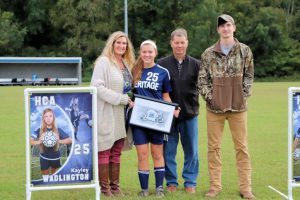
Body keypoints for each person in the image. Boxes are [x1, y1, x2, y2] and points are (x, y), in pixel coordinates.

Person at [198, 14, 255, 199]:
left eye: (228, 25)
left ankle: (245, 189)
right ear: (218, 30)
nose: (225, 28)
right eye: (221, 26)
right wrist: (211, 99)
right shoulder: (208, 53)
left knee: (242, 148)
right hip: (215, 110)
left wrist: (242, 96)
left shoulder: (245, 51)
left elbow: (249, 76)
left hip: (238, 109)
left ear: (234, 27)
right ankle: (215, 187)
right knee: (213, 148)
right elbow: (202, 80)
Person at [131, 40, 180, 197]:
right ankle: (144, 189)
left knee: (157, 154)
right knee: (142, 154)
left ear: (155, 53)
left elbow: (166, 95)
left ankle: (159, 188)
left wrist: (173, 108)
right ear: (140, 53)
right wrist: (130, 102)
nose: (147, 54)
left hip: (157, 120)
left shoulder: (162, 72)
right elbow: (128, 93)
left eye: (150, 52)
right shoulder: (134, 70)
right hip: (139, 120)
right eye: (144, 52)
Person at [90, 31, 135, 197]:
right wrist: (121, 99)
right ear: (112, 43)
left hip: (122, 114)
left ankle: (115, 188)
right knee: (105, 149)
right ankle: (105, 189)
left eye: (124, 44)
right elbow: (97, 87)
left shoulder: (125, 63)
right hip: (107, 112)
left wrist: (130, 100)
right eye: (119, 43)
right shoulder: (103, 62)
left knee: (116, 150)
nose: (122, 46)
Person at [157, 28, 200, 193]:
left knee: (192, 151)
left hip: (190, 115)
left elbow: (205, 87)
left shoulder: (196, 64)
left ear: (187, 43)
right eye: (177, 43)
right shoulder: (162, 64)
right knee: (168, 151)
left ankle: (190, 182)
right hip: (168, 117)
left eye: (182, 42)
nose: (179, 46)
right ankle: (172, 182)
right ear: (171, 43)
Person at [31, 108, 72, 175]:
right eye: (46, 116)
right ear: (43, 118)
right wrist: (38, 142)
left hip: (55, 157)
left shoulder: (58, 130)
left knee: (54, 175)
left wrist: (59, 141)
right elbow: (30, 140)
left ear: (53, 118)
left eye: (50, 116)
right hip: (43, 156)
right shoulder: (39, 130)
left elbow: (70, 140)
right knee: (45, 176)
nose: (48, 118)